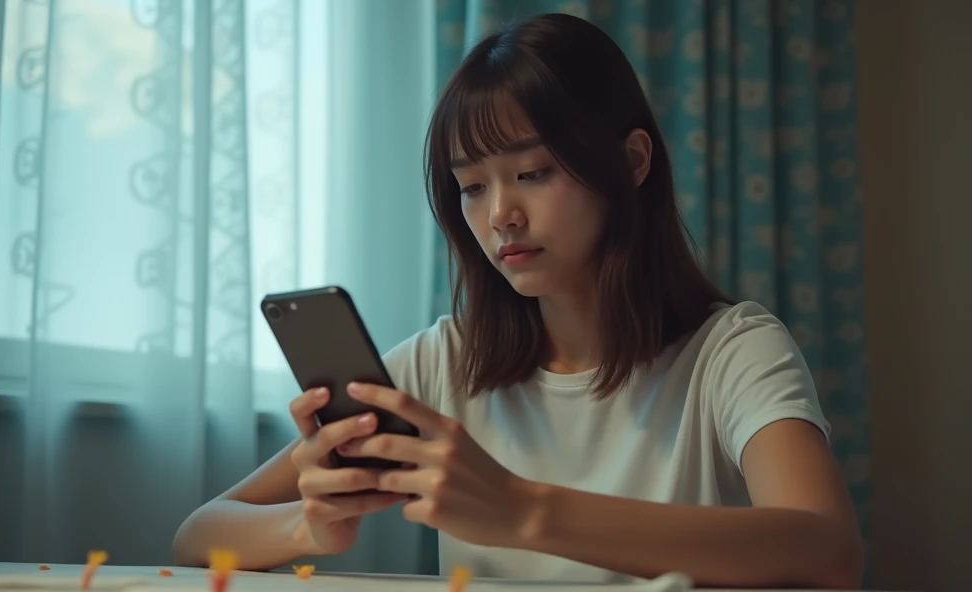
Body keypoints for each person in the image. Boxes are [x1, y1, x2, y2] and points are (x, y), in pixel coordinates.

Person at [172, 12, 863, 590]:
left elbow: (827, 550)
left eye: (533, 173)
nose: (501, 215)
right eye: (472, 186)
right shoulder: (443, 364)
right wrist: (309, 525)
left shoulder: (733, 351)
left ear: (632, 162)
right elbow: (199, 535)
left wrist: (523, 510)